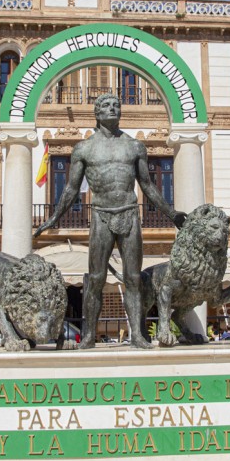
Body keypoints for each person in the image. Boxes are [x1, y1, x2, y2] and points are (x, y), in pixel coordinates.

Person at [33, 93, 187, 349]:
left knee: (134, 278)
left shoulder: (134, 146)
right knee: (95, 278)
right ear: (96, 112)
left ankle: (136, 334)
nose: (112, 108)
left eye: (116, 105)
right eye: (106, 105)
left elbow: (147, 185)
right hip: (101, 214)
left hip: (129, 213)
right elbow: (71, 190)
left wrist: (172, 215)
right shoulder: (84, 148)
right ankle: (90, 334)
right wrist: (53, 219)